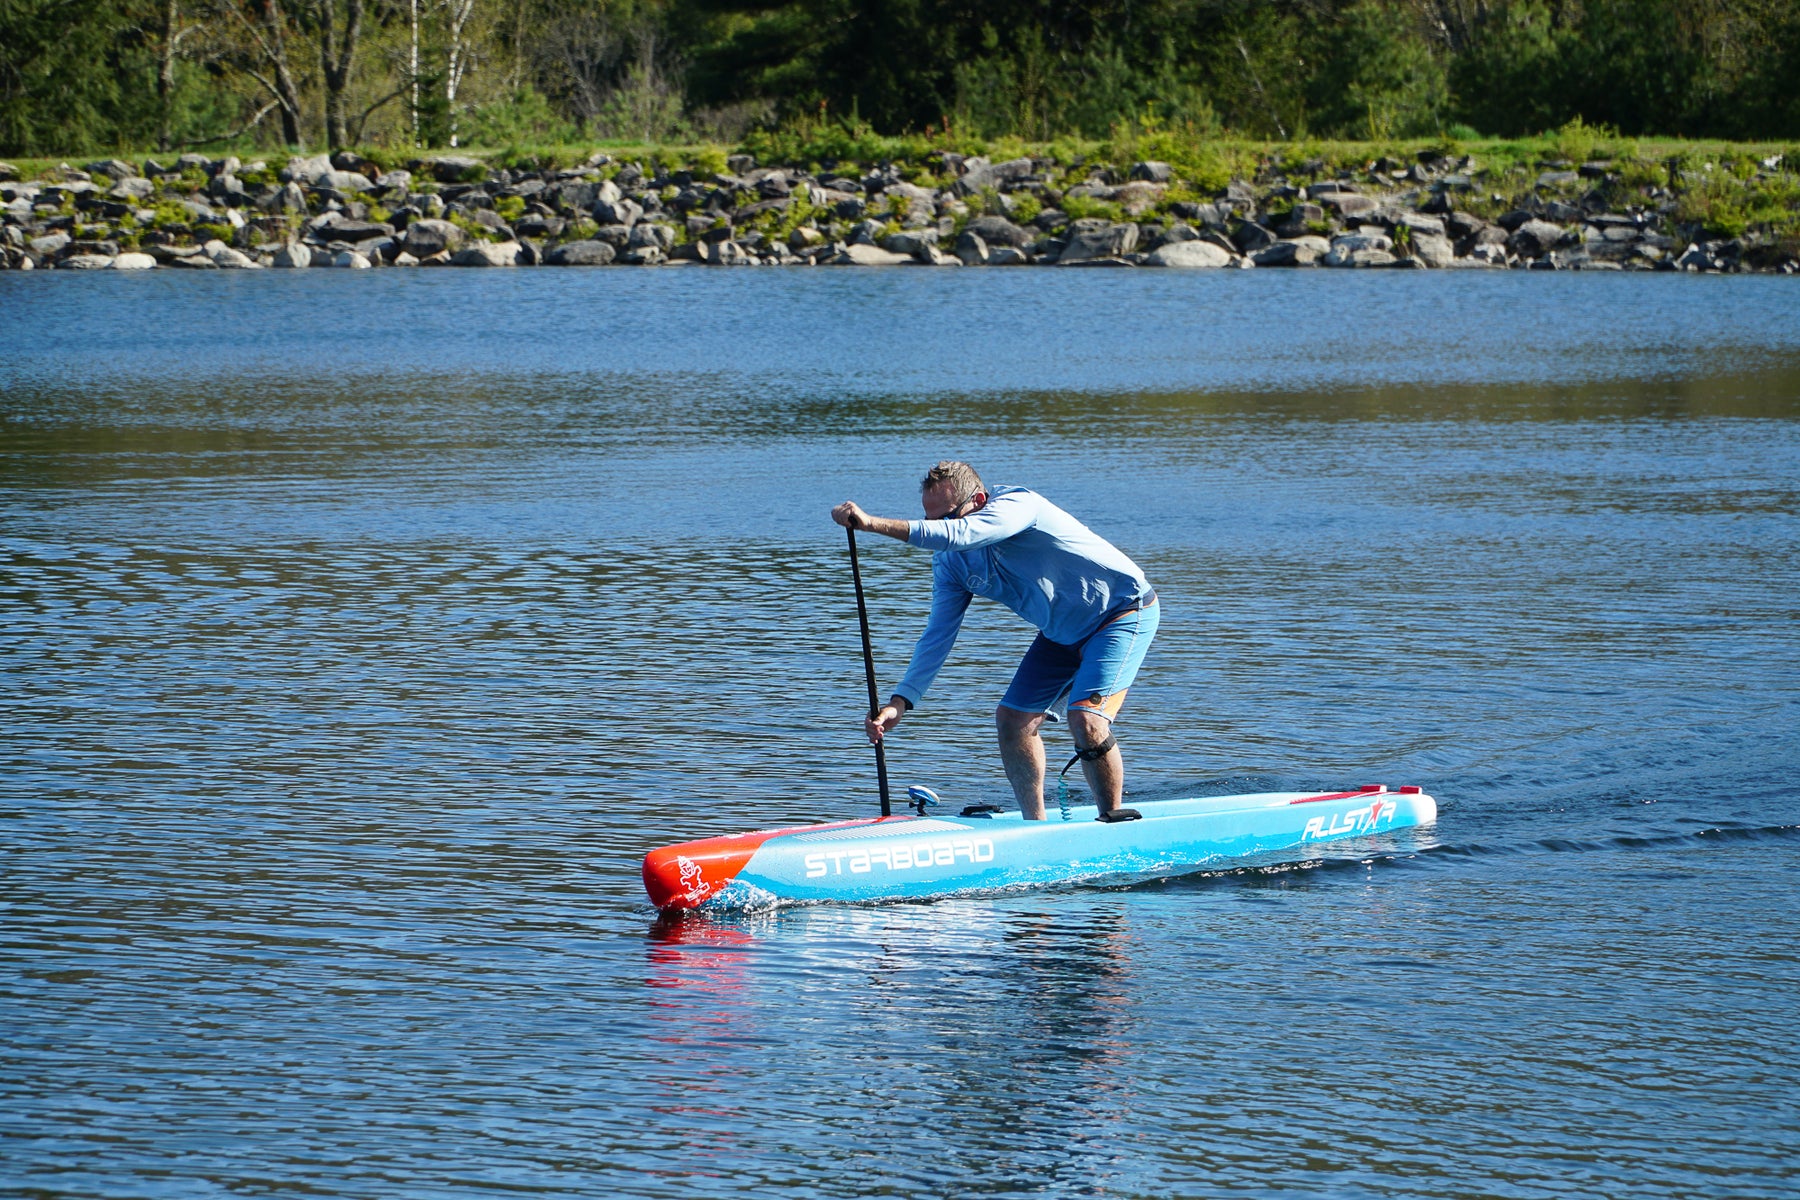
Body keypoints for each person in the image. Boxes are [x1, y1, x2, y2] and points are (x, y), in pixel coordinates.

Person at [831, 461, 1159, 821]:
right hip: (1060, 634)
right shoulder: (951, 565)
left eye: (948, 518)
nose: (940, 530)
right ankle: (1034, 828)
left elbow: (961, 535)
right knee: (1011, 720)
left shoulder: (1019, 506)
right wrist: (901, 702)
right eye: (932, 519)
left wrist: (871, 524)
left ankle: (1114, 822)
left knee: (1086, 720)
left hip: (1121, 614)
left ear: (980, 501)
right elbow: (938, 635)